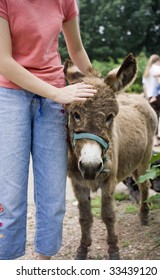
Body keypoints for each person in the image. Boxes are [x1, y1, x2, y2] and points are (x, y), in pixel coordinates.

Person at [0, 0, 96, 260]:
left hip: (54, 100)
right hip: (10, 97)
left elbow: (76, 50)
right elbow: (3, 61)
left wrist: (100, 85)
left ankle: (44, 267)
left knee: (53, 197)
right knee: (10, 199)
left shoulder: (64, 1)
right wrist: (57, 92)